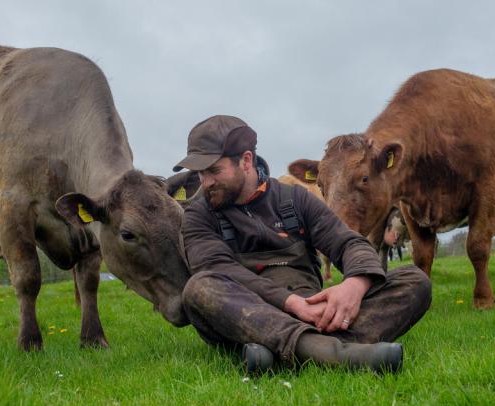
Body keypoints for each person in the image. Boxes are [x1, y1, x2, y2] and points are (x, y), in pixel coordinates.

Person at [175, 115, 432, 374]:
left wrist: (356, 283)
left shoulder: (294, 199)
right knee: (200, 288)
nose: (205, 182)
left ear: (245, 161)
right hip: (246, 314)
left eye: (214, 171)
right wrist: (291, 303)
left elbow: (347, 243)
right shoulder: (199, 216)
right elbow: (218, 268)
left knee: (415, 280)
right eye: (200, 173)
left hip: (314, 307)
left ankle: (275, 353)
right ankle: (337, 354)